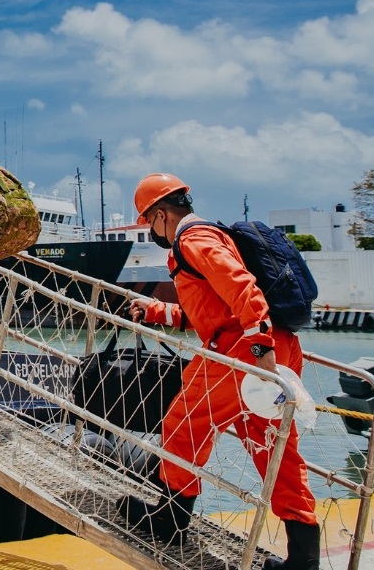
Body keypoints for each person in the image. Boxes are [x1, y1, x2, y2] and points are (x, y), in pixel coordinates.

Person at [122, 173, 319, 569]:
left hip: (242, 352)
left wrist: (259, 344)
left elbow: (242, 288)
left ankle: (170, 519)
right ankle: (303, 556)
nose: (152, 233)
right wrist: (158, 311)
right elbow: (215, 310)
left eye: (148, 223)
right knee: (275, 448)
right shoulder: (210, 234)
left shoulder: (192, 238)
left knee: (183, 425)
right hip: (273, 346)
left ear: (160, 214)